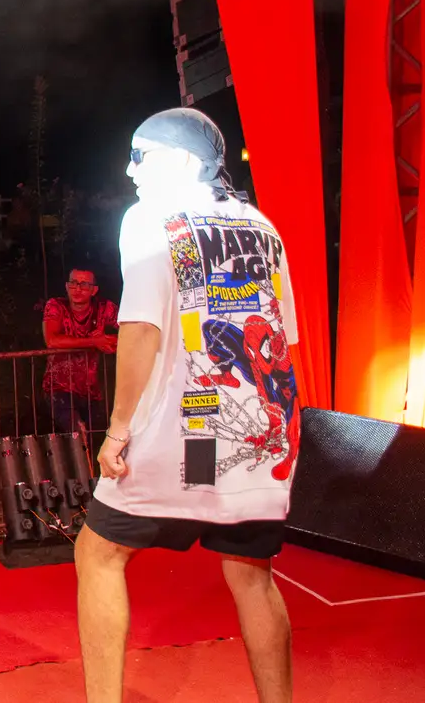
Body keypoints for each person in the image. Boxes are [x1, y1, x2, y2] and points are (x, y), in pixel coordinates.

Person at [76, 107, 300, 703]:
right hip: (261, 431)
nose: (130, 170)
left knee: (98, 553)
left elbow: (141, 328)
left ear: (178, 161)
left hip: (189, 430)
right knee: (253, 575)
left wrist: (118, 429)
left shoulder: (151, 218)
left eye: (139, 156)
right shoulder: (262, 225)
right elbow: (285, 338)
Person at [42, 268, 118, 434]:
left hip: (91, 390)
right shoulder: (56, 306)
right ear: (66, 286)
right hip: (59, 387)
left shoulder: (104, 308)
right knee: (77, 432)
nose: (77, 289)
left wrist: (110, 340)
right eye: (73, 283)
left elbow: (133, 330)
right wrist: (94, 342)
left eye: (84, 285)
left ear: (94, 290)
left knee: (96, 436)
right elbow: (52, 340)